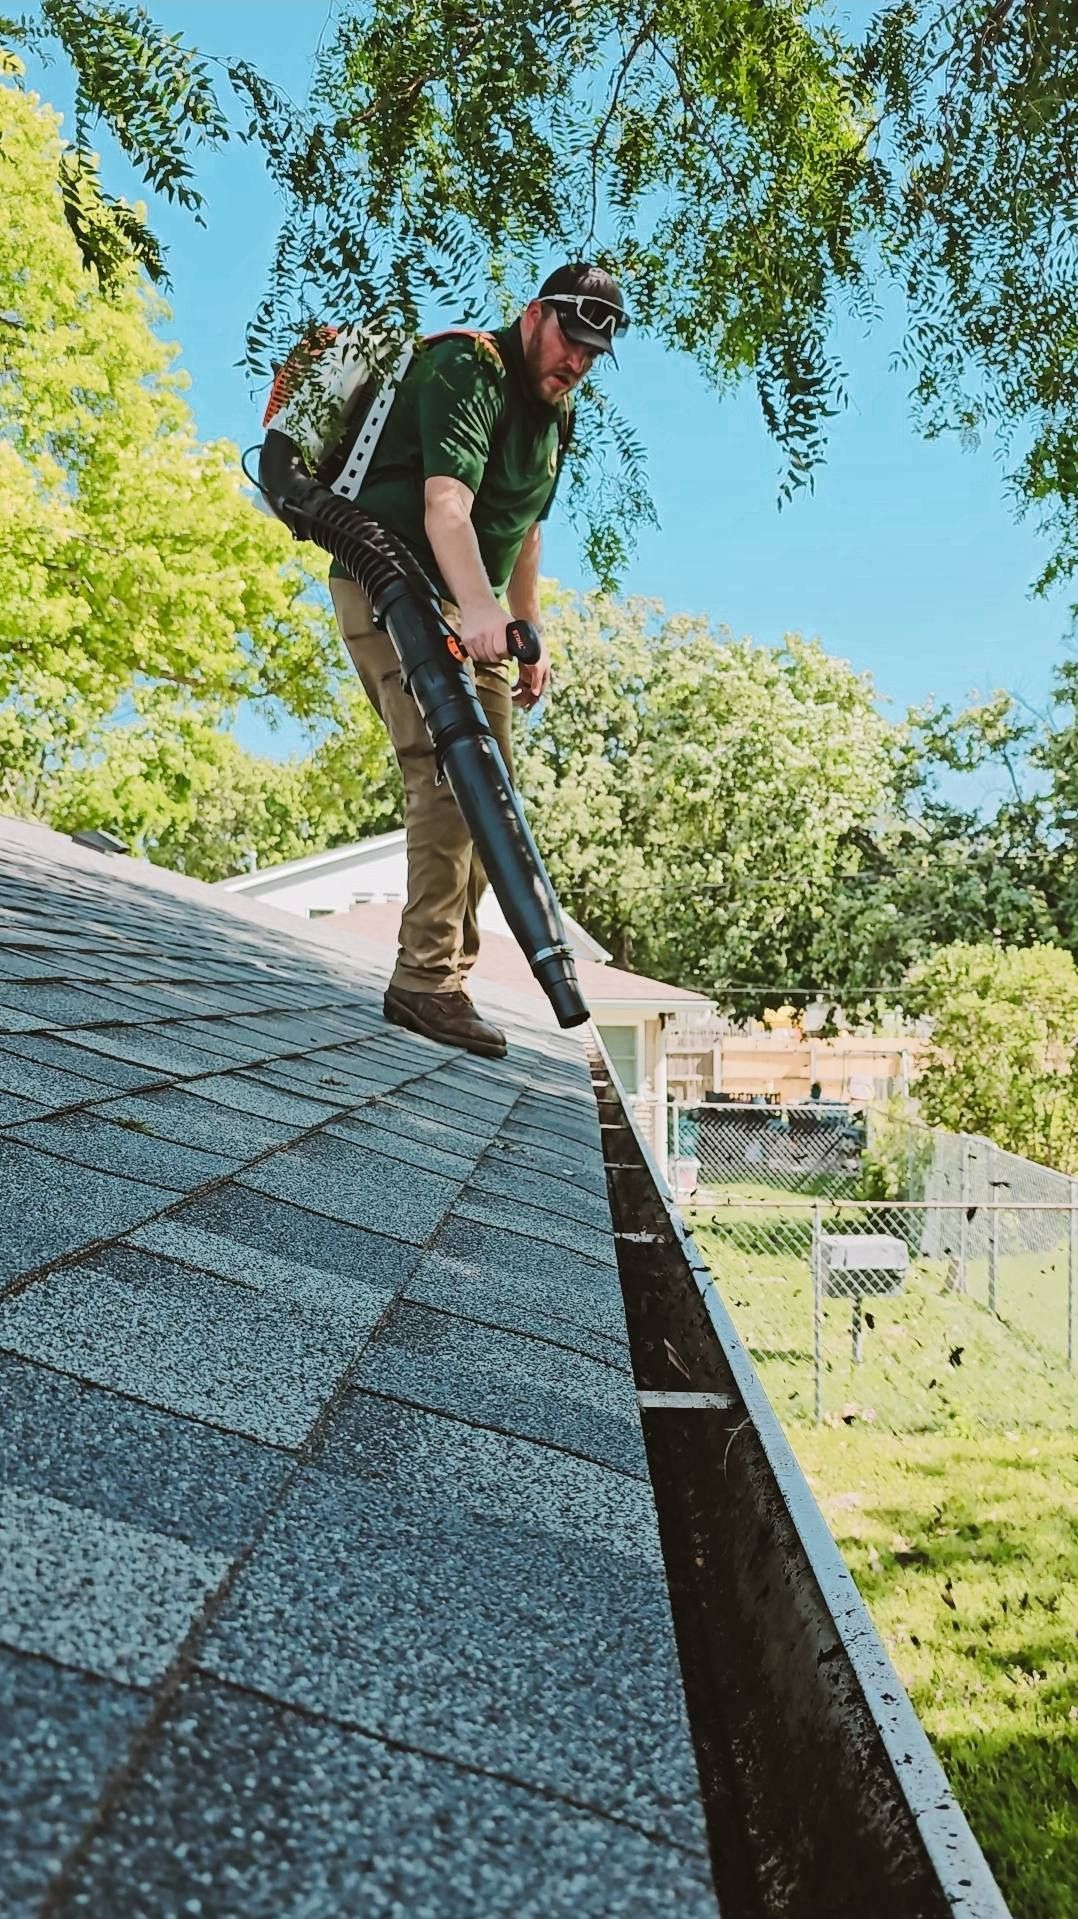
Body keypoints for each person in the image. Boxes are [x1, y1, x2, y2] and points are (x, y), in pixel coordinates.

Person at [329, 262, 629, 1059]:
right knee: (445, 769)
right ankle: (425, 981)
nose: (577, 362)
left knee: (493, 798)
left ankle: (447, 974)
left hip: (475, 609)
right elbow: (447, 507)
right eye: (570, 340)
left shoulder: (555, 416)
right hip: (389, 578)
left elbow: (523, 528)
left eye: (594, 353)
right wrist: (484, 610)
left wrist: (526, 626)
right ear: (535, 315)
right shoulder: (471, 369)